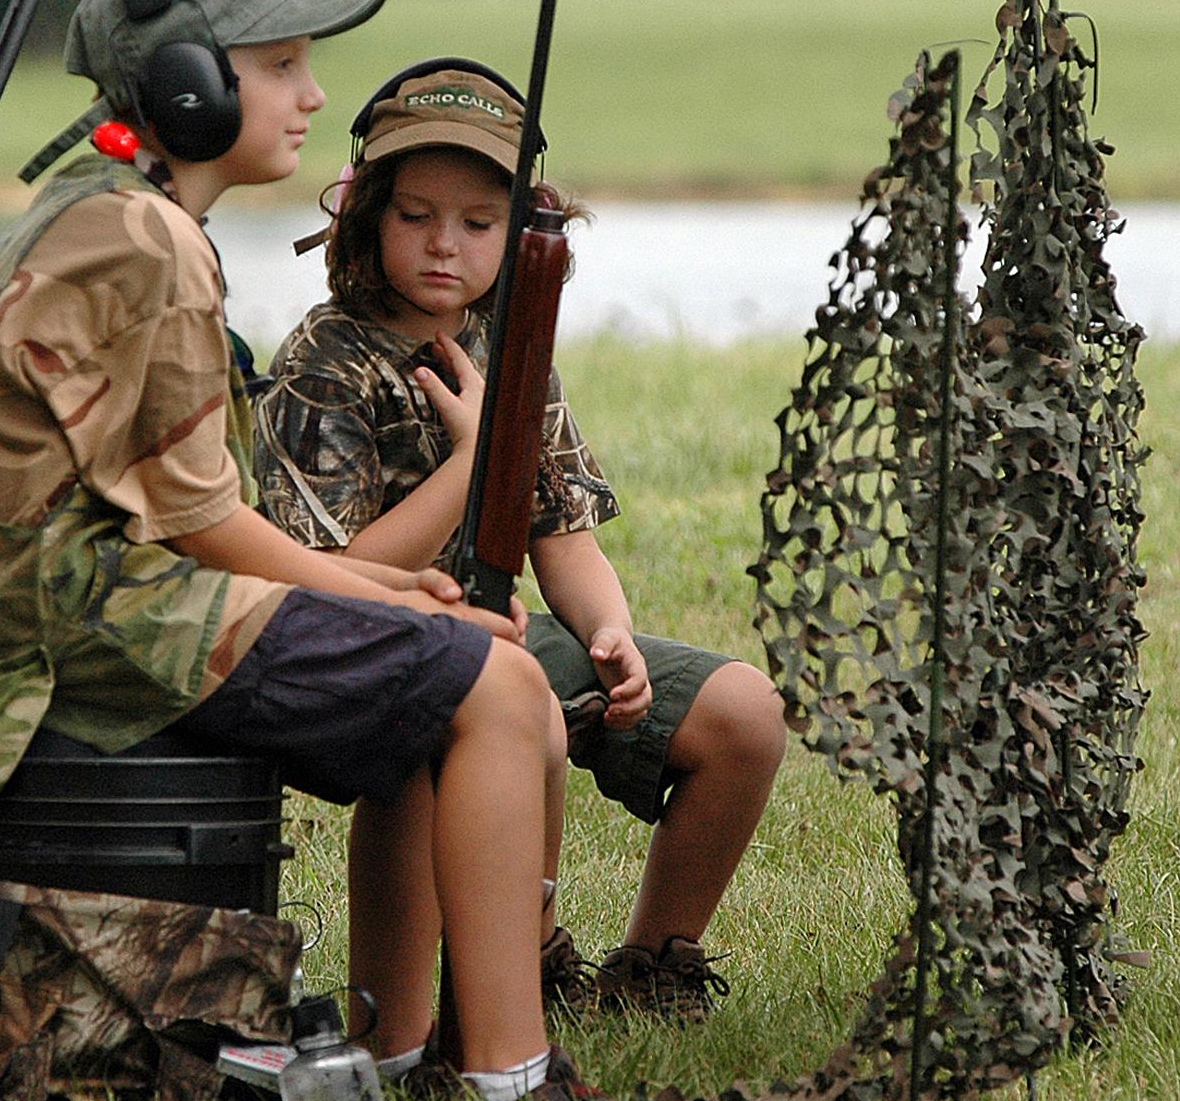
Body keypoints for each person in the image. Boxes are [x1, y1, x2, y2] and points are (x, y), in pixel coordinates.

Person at [0, 0, 601, 1101]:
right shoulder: (143, 239)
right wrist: (371, 593)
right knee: (490, 687)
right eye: (279, 64)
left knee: (469, 662)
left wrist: (390, 594)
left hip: (88, 598)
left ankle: (417, 1047)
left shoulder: (105, 210)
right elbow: (200, 529)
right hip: (86, 623)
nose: (311, 95)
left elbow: (188, 517)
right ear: (192, 85)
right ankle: (507, 1083)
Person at [253, 62, 787, 1019]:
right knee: (525, 707)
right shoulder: (326, 358)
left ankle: (650, 972)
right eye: (415, 215)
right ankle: (524, 967)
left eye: (478, 223)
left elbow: (565, 537)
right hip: (373, 635)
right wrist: (473, 459)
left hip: (506, 626)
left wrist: (611, 633)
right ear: (364, 214)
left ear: (523, 230)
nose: (444, 246)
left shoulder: (515, 342)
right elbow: (327, 577)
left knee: (745, 715)